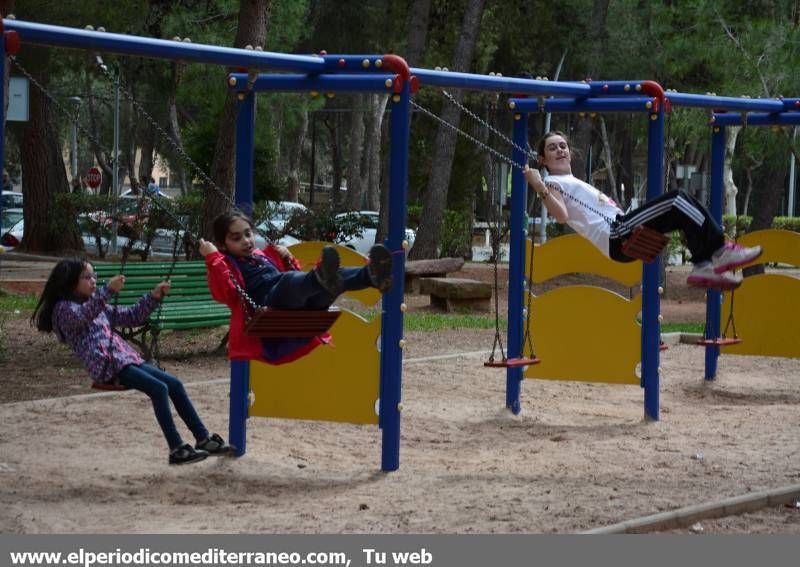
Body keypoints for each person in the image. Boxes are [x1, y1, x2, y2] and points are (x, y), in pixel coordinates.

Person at [31, 258, 232, 465]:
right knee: (159, 389)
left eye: (95, 276)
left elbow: (130, 316)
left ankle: (203, 439)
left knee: (175, 384)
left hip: (126, 358)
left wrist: (153, 297)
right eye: (87, 277)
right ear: (69, 281)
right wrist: (107, 290)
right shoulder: (63, 309)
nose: (93, 281)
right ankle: (177, 448)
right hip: (107, 366)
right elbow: (81, 317)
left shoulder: (96, 305)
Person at [524, 131, 762, 290]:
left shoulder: (571, 180)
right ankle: (720, 251)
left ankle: (704, 265)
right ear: (542, 158)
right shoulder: (553, 183)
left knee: (681, 209)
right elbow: (561, 216)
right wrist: (538, 185)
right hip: (616, 233)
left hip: (618, 235)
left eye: (563, 146)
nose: (560, 150)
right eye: (552, 148)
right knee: (678, 198)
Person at [199, 210, 394, 364]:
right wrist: (213, 257)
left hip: (301, 304)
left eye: (248, 234)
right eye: (236, 238)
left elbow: (297, 278)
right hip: (270, 303)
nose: (246, 241)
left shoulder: (261, 255)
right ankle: (320, 277)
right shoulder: (224, 264)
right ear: (222, 245)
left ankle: (370, 276)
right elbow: (223, 291)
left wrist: (287, 258)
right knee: (290, 281)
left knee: (333, 281)